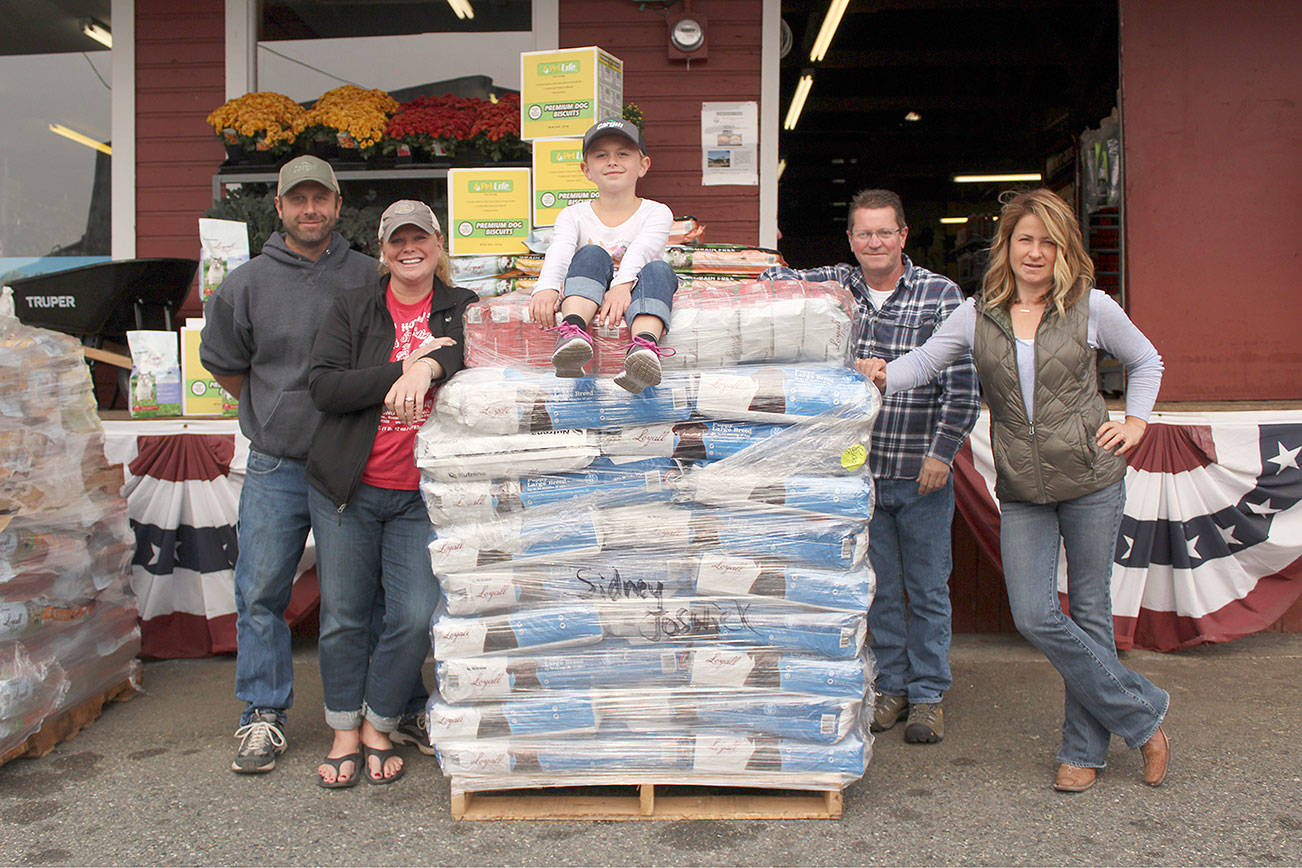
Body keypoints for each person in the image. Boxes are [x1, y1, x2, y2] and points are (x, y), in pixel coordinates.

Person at [859, 188, 1169, 792]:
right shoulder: (979, 314)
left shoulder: (1091, 306)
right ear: (1007, 245)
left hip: (1090, 480)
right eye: (1025, 239)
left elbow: (1147, 360)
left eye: (1048, 241)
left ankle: (1083, 750)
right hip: (1025, 486)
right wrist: (876, 374)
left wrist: (1136, 421)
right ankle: (1144, 715)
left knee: (1089, 613)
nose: (1036, 252)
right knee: (1032, 614)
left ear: (1065, 248)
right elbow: (923, 366)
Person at [760, 189, 979, 744]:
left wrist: (942, 452)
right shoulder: (836, 287)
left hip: (920, 468)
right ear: (851, 240)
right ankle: (893, 687)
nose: (874, 242)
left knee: (928, 588)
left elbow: (962, 385)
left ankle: (929, 696)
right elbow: (772, 281)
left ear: (903, 235)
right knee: (876, 586)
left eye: (885, 232)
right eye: (864, 234)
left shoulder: (939, 294)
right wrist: (763, 261)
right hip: (857, 476)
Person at [201, 155, 377, 774]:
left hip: (349, 463)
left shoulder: (367, 274)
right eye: (297, 200)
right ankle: (262, 715)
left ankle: (366, 715)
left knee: (356, 600)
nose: (310, 210)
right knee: (260, 592)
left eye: (320, 199)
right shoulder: (246, 282)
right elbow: (224, 362)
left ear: (336, 205)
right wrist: (269, 407)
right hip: (275, 464)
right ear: (278, 208)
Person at [305, 200, 476, 787]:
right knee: (344, 618)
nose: (410, 248)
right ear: (383, 249)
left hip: (419, 495)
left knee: (410, 615)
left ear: (437, 242)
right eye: (397, 239)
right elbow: (324, 387)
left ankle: (380, 719)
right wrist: (403, 365)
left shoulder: (462, 307)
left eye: (420, 237)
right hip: (348, 489)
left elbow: (468, 357)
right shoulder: (354, 306)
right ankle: (344, 732)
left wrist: (429, 369)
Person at [528, 118, 679, 394]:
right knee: (590, 253)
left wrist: (622, 285)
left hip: (636, 291)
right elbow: (560, 249)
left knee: (659, 269)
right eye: (601, 155)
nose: (612, 161)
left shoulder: (657, 212)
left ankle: (643, 348)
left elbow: (642, 248)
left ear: (643, 165)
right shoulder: (572, 214)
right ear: (586, 170)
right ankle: (572, 333)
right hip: (589, 290)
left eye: (623, 153)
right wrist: (546, 287)